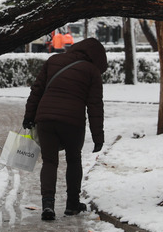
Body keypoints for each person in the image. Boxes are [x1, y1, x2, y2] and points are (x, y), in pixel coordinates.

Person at [23, 37, 107, 221]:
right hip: (73, 122)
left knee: (49, 162)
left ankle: (47, 205)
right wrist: (97, 136)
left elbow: (36, 90)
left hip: (45, 119)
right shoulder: (92, 72)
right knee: (74, 160)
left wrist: (29, 117)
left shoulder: (53, 61)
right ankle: (72, 205)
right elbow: (95, 106)